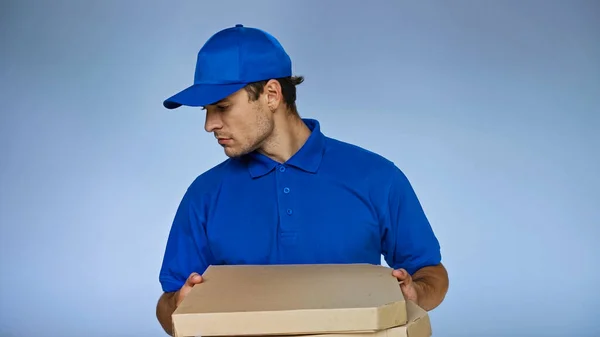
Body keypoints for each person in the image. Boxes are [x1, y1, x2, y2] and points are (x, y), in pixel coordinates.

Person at [155, 24, 449, 336]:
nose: (209, 124)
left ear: (271, 94)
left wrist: (415, 295)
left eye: (222, 107)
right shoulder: (204, 194)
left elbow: (431, 272)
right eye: (207, 110)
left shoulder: (376, 177)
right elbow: (168, 302)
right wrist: (179, 306)